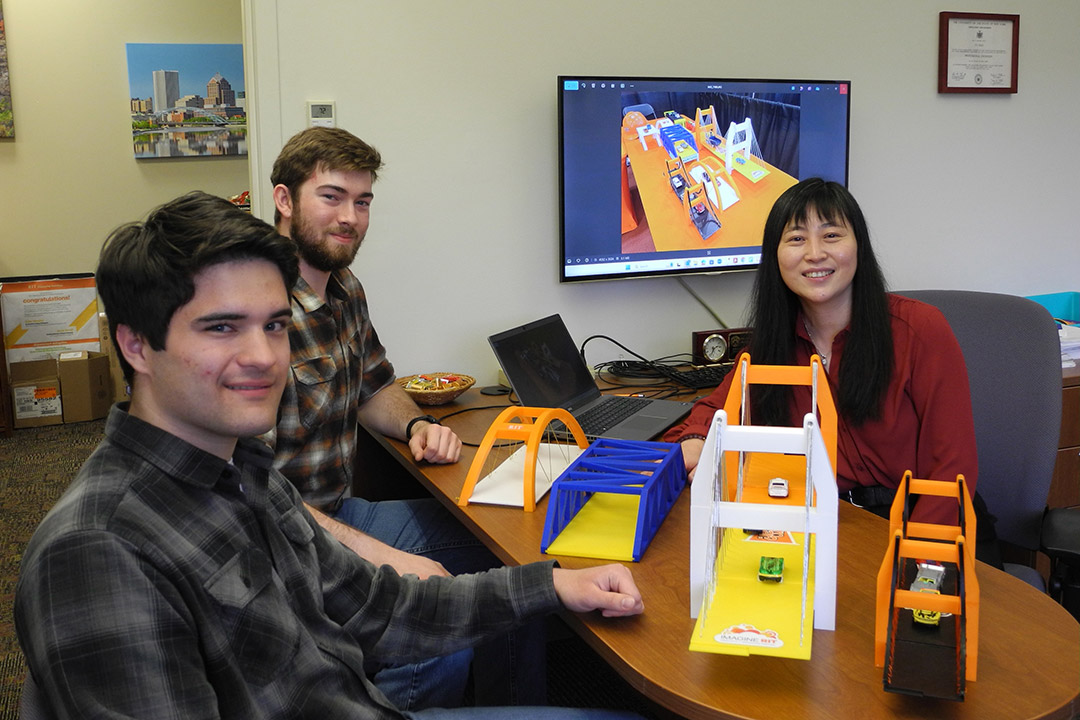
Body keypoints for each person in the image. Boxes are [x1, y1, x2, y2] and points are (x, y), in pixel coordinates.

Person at [14, 192, 645, 719]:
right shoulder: (98, 550)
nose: (264, 356)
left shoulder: (246, 471)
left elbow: (382, 609)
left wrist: (553, 585)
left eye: (275, 325)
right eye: (221, 327)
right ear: (136, 346)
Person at [265, 126, 541, 708]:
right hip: (283, 541)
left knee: (515, 555)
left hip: (342, 509)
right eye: (332, 196)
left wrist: (416, 425)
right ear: (284, 201)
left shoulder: (344, 288)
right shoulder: (260, 312)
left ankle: (515, 705)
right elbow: (250, 492)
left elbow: (374, 387)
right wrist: (379, 557)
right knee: (435, 616)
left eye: (362, 202)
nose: (351, 218)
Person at [664, 178, 997, 552]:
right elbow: (716, 409)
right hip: (828, 525)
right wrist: (695, 440)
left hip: (923, 524)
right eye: (796, 239)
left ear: (859, 246)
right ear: (775, 257)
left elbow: (952, 469)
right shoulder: (773, 344)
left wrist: (920, 558)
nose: (815, 253)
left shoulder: (920, 330)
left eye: (832, 235)